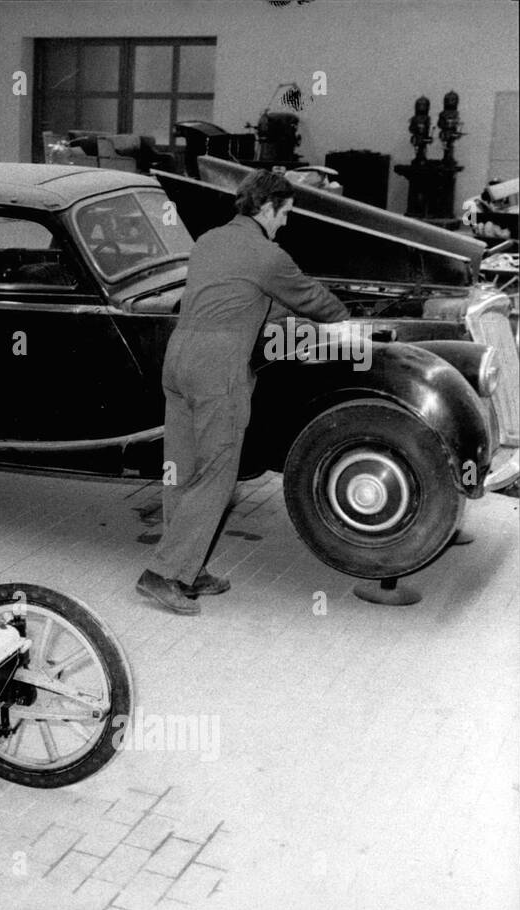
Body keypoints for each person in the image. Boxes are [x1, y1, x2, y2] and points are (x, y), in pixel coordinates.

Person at [137, 169, 349, 615]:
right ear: (267, 207)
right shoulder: (267, 255)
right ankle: (162, 575)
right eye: (285, 213)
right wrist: (345, 315)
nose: (286, 223)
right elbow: (313, 299)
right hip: (218, 369)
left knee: (181, 468)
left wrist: (283, 316)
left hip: (178, 360)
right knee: (216, 473)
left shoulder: (209, 241)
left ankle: (186, 569)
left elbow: (245, 299)